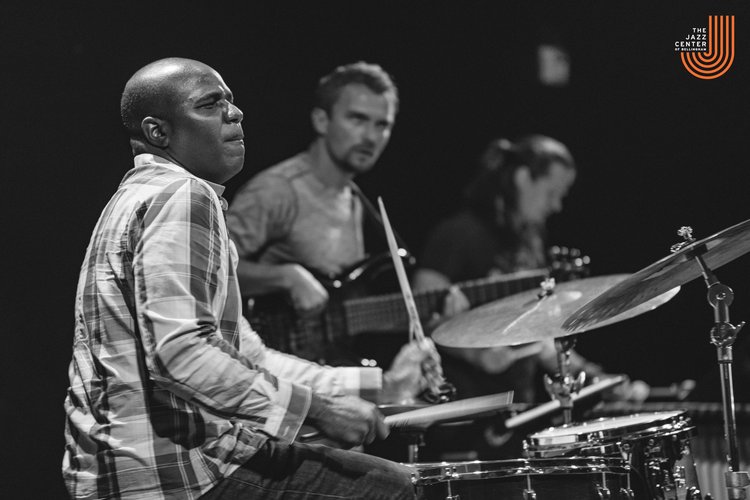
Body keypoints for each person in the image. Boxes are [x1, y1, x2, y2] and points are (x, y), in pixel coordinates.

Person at [62, 57, 442, 500]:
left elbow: (245, 352)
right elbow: (179, 352)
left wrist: (377, 386)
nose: (235, 112)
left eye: (230, 100)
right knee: (390, 486)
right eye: (209, 104)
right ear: (158, 132)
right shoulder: (183, 195)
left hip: (140, 468)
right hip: (171, 475)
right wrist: (315, 410)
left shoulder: (139, 197)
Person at [412, 135, 647, 457]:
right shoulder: (457, 234)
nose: (556, 205)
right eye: (552, 192)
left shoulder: (530, 244)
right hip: (461, 415)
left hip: (517, 409)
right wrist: (476, 354)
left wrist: (594, 378)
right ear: (523, 178)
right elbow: (417, 315)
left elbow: (539, 335)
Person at [226, 61, 399, 364]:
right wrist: (285, 277)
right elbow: (209, 273)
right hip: (269, 369)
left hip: (324, 369)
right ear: (321, 120)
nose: (371, 137)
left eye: (381, 124)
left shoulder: (356, 201)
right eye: (357, 119)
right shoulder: (278, 190)